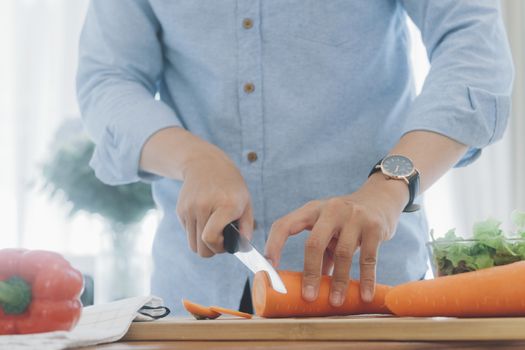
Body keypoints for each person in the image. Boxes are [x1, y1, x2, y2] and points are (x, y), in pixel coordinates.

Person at [77, 1, 513, 315]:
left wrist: (387, 189)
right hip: (197, 299)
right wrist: (193, 158)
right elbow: (109, 80)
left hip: (371, 293)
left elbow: (472, 40)